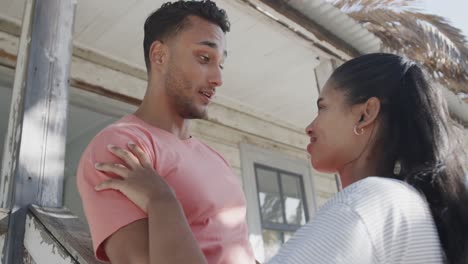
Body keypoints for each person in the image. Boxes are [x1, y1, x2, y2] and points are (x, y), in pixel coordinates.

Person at [94, 53, 468, 264]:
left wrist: (162, 200)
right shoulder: (413, 210)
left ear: (365, 114)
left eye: (322, 107)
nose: (309, 126)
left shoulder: (372, 204)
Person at [76, 1, 257, 263]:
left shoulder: (215, 158)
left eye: (221, 64)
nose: (218, 79)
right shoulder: (122, 146)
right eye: (205, 58)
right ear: (159, 55)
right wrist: (162, 199)